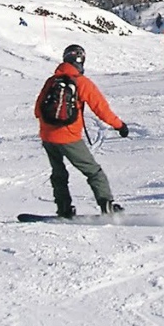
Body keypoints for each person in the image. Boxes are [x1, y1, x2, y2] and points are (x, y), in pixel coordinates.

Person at [33, 44, 129, 217]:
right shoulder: (82, 82)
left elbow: (37, 110)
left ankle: (63, 209)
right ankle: (106, 205)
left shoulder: (51, 81)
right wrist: (119, 126)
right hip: (68, 137)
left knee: (58, 173)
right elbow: (101, 109)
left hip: (47, 137)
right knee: (93, 171)